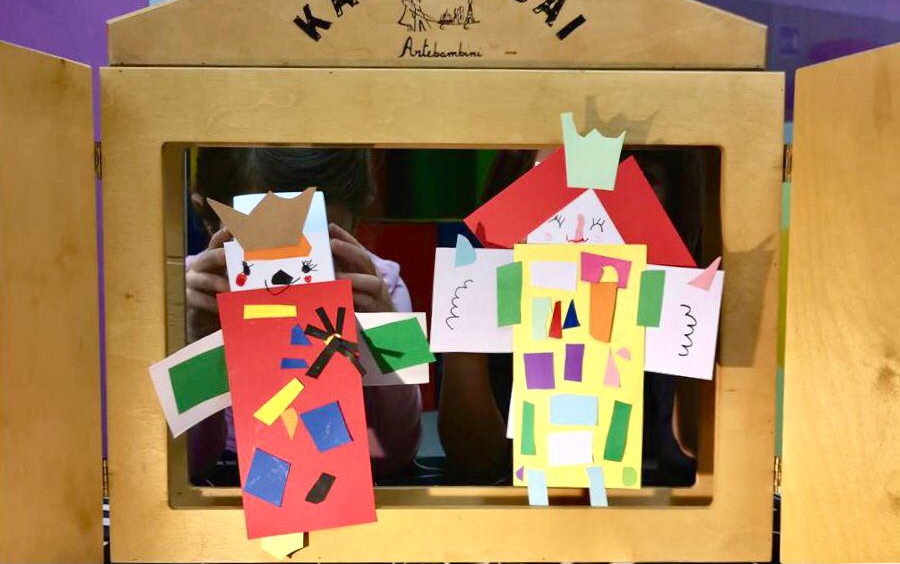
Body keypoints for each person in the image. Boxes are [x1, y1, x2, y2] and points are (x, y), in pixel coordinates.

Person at [438, 149, 705, 485]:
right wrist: (464, 335)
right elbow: (475, 460)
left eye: (636, 180)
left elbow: (691, 449)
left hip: (659, 506)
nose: (591, 202)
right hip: (523, 504)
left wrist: (683, 313)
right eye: (559, 177)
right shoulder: (498, 287)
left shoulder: (676, 292)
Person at [185, 147, 421, 484]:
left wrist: (382, 327)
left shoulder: (386, 284)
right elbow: (187, 466)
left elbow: (402, 449)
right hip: (224, 484)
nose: (287, 275)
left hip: (340, 483)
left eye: (319, 245)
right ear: (208, 217)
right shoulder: (182, 297)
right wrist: (198, 340)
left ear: (356, 217)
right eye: (260, 247)